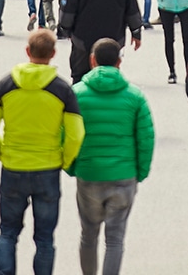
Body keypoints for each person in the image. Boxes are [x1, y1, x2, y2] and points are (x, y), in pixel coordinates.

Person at [0, 29, 84, 275]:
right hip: (47, 168)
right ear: (53, 54)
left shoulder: (6, 84)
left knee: (8, 232)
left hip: (13, 166)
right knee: (45, 238)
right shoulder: (62, 90)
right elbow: (76, 134)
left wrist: (0, 152)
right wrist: (65, 159)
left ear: (27, 52)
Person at [72, 38, 155, 275]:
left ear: (91, 60)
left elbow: (65, 134)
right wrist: (141, 171)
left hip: (89, 174)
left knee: (88, 235)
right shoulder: (135, 96)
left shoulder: (76, 94)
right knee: (115, 239)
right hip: (124, 175)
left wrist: (72, 166)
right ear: (119, 62)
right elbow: (146, 138)